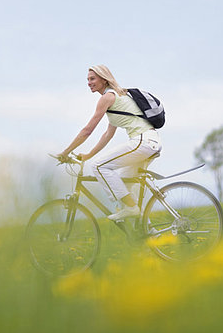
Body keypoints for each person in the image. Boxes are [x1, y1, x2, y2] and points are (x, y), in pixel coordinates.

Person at [57, 65, 162, 221]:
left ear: (103, 79)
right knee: (124, 184)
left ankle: (132, 209)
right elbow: (107, 135)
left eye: (92, 79)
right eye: (87, 79)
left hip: (143, 141)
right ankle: (147, 230)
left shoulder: (107, 98)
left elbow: (87, 130)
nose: (89, 82)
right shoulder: (118, 98)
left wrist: (65, 152)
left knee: (98, 166)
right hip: (151, 142)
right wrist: (87, 155)